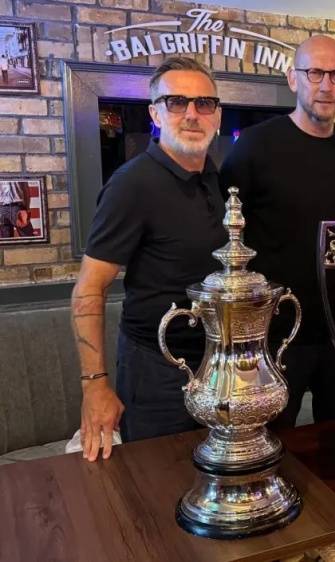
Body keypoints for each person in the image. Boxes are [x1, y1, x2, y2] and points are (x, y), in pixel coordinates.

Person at [72, 57, 226, 462]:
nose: (191, 114)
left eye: (204, 103)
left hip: (217, 369)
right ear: (155, 114)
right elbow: (89, 287)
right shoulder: (132, 184)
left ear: (217, 116)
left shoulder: (216, 180)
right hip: (156, 372)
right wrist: (95, 386)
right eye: (176, 102)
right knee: (156, 484)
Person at [220, 35, 335, 429]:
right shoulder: (255, 147)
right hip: (273, 335)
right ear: (293, 79)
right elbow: (224, 235)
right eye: (315, 73)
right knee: (271, 441)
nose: (326, 85)